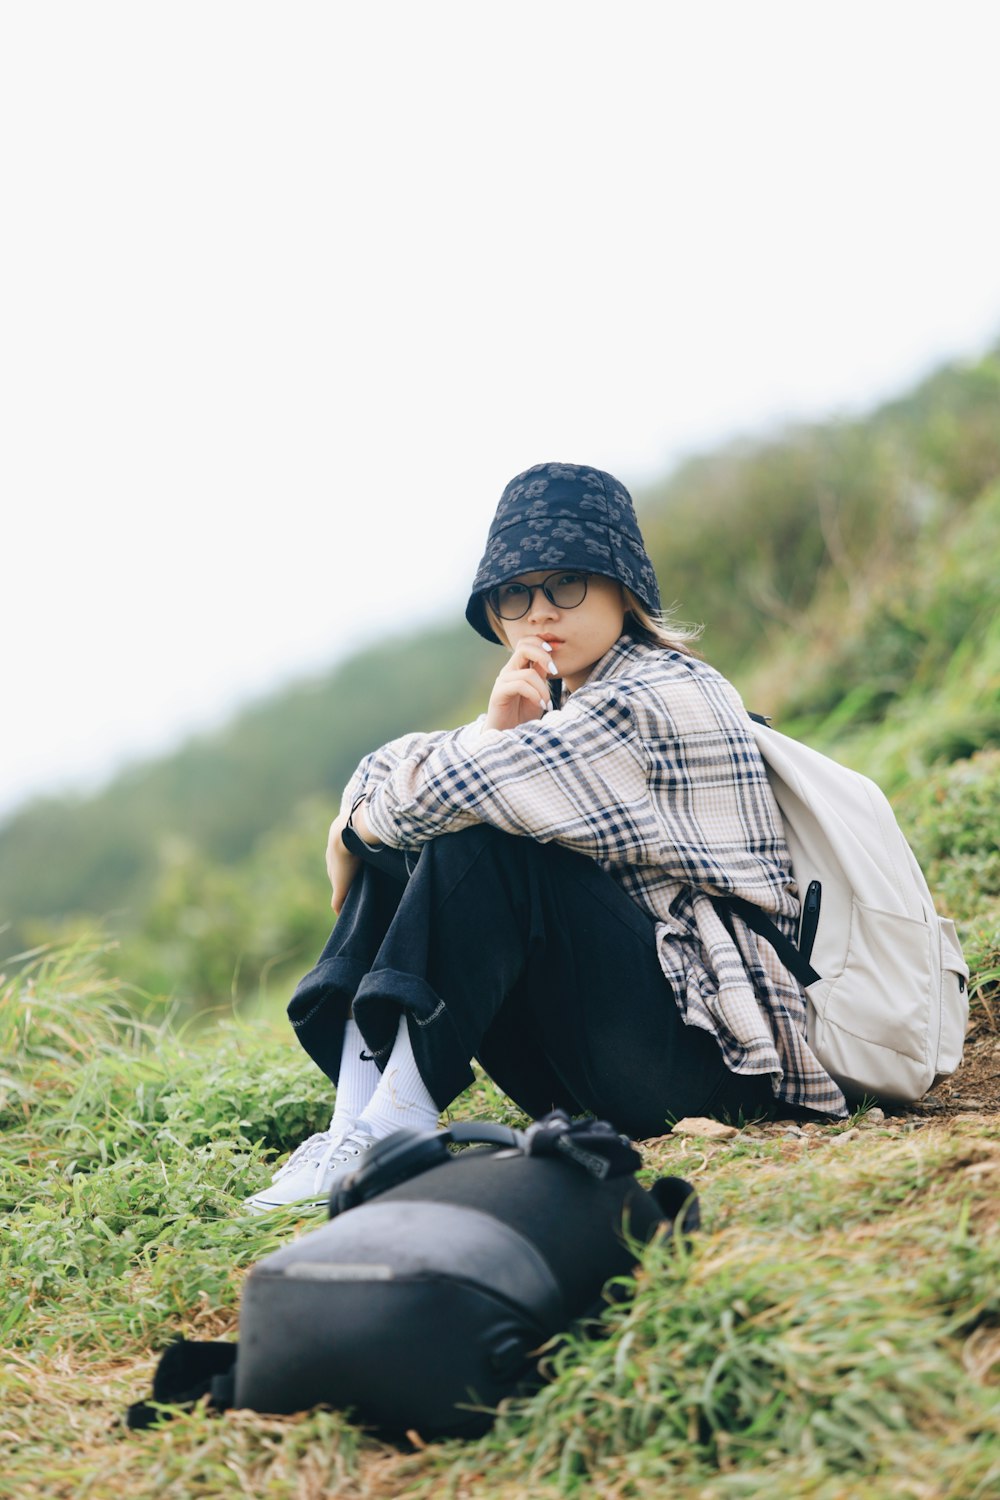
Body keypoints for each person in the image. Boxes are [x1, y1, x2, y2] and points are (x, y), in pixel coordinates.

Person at [245, 462, 847, 1212]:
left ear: (622, 588)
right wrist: (491, 736)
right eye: (514, 593)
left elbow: (434, 789)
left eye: (566, 583)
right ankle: (360, 1122)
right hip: (618, 1058)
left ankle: (392, 1124)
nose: (539, 612)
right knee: (445, 823)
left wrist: (354, 824)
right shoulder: (574, 705)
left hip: (724, 1061)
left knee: (478, 835)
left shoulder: (658, 693)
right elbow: (409, 774)